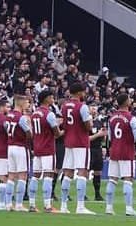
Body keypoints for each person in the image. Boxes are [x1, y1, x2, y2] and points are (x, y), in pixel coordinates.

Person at [58, 80, 95, 215]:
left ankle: (63, 205)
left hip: (69, 141)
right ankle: (80, 206)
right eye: (84, 92)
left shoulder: (64, 106)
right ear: (79, 92)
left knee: (67, 173)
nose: (85, 94)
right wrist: (91, 118)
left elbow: (64, 124)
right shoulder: (82, 107)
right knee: (82, 172)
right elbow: (88, 126)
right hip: (81, 142)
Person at [105, 90, 136, 217]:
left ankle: (109, 207)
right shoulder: (132, 118)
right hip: (126, 151)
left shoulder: (111, 118)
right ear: (126, 102)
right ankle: (129, 208)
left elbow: (110, 137)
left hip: (114, 151)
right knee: (128, 180)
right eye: (129, 99)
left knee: (112, 179)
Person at [29, 88, 62, 213]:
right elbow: (57, 133)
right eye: (51, 97)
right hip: (48, 148)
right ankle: (47, 205)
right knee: (48, 176)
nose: (53, 99)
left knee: (35, 176)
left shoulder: (34, 114)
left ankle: (32, 204)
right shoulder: (49, 114)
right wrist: (64, 129)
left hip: (37, 148)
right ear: (46, 99)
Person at [5, 93, 34, 213]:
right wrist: (30, 127)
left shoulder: (8, 115)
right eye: (27, 102)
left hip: (10, 147)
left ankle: (8, 204)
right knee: (23, 176)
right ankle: (19, 204)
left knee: (11, 176)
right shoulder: (21, 118)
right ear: (21, 103)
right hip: (21, 147)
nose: (28, 104)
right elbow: (29, 134)